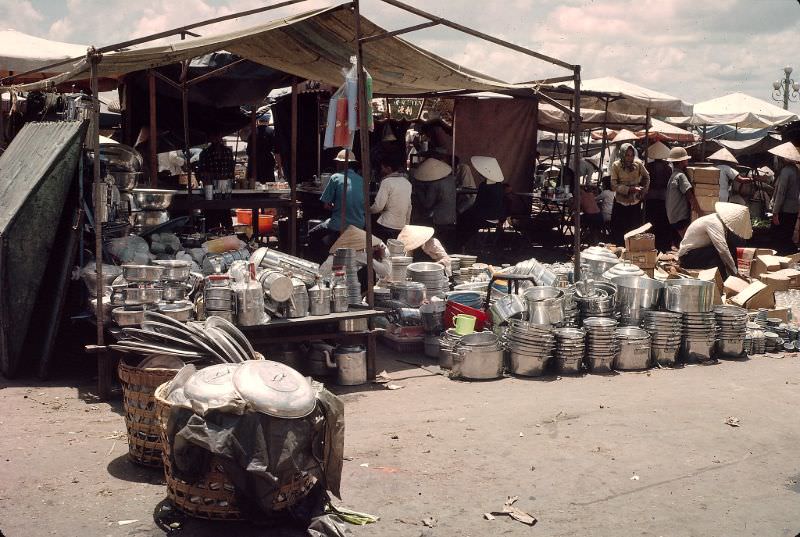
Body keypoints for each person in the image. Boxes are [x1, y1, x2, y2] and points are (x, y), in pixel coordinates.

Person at [307, 149, 365, 261]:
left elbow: (326, 205)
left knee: (312, 234)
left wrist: (337, 207)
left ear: (341, 164)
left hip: (339, 224)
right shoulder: (361, 180)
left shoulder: (335, 177)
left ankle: (321, 261)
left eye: (338, 163)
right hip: (359, 224)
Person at [678, 202, 752, 279]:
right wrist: (735, 273)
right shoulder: (714, 222)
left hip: (699, 252)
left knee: (729, 248)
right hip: (688, 256)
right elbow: (723, 250)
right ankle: (723, 281)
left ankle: (728, 277)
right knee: (720, 254)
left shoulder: (719, 222)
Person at [455, 156, 505, 251]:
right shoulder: (499, 186)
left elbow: (478, 205)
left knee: (462, 220)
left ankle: (461, 245)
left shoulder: (484, 186)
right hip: (495, 218)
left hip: (484, 218)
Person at [410, 157, 457, 251]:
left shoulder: (435, 184)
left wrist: (420, 191)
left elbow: (427, 204)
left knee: (418, 222)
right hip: (452, 217)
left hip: (439, 220)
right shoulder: (450, 180)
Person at [610, 142, 650, 245]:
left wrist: (644, 190)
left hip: (635, 202)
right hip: (620, 202)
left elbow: (647, 177)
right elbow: (614, 185)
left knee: (634, 230)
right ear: (623, 155)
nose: (630, 158)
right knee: (619, 231)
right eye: (627, 155)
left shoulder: (638, 164)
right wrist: (628, 189)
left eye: (632, 155)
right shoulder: (616, 166)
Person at [370, 151, 412, 241]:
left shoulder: (387, 182)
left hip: (387, 225)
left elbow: (378, 207)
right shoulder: (407, 183)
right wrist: (406, 225)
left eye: (383, 168)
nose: (381, 171)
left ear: (388, 168)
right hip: (401, 225)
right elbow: (409, 207)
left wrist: (367, 210)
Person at [197, 133, 235, 230]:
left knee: (226, 216)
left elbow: (231, 171)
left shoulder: (227, 152)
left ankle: (228, 235)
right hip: (211, 190)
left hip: (225, 190)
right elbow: (202, 173)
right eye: (214, 137)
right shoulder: (205, 153)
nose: (216, 139)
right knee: (212, 219)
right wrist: (212, 177)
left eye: (218, 136)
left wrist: (224, 177)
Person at [665, 146, 701, 244]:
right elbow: (690, 196)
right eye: (685, 159)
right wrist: (700, 213)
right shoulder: (681, 176)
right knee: (689, 242)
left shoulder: (673, 175)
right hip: (680, 217)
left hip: (673, 216)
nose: (687, 161)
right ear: (681, 161)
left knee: (684, 241)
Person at [769, 142, 800, 254]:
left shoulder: (786, 171)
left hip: (784, 210)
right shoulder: (796, 170)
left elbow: (781, 193)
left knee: (779, 237)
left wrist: (775, 212)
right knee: (787, 235)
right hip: (793, 209)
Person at [644, 141, 673, 252]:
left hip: (650, 197)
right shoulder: (667, 168)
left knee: (651, 222)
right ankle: (662, 245)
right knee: (662, 222)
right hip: (663, 198)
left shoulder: (648, 166)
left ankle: (650, 243)